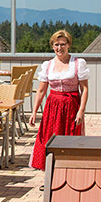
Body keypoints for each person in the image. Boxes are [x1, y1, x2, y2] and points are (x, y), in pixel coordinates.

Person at [29, 30, 89, 172]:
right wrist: (34, 112)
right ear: (52, 46)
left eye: (62, 44)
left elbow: (84, 89)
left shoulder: (78, 63)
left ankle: (70, 173)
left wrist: (81, 111)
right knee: (49, 139)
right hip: (52, 107)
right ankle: (50, 175)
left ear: (69, 45)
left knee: (70, 139)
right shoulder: (48, 65)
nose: (59, 48)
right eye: (56, 44)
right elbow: (41, 90)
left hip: (71, 106)